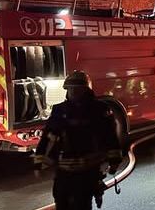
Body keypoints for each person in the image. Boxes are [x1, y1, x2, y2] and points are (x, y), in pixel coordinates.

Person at [33, 71, 123, 210]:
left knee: (82, 204)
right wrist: (38, 163)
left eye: (77, 88)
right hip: (63, 171)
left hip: (87, 171)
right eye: (70, 88)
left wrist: (114, 162)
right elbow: (47, 135)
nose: (73, 91)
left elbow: (110, 137)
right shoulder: (59, 110)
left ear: (85, 90)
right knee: (61, 201)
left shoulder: (98, 110)